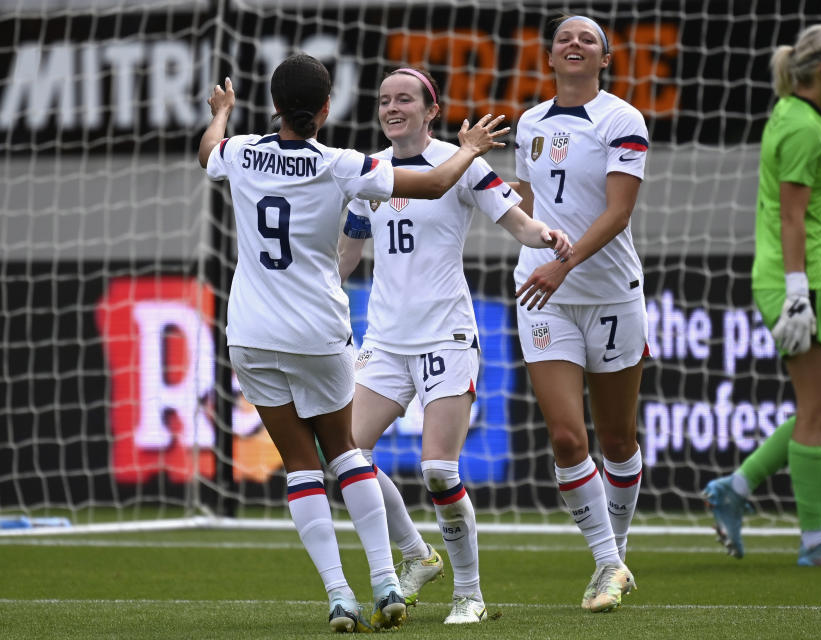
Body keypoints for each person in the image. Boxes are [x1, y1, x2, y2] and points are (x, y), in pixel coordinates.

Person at [197, 53, 509, 632]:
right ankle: (388, 582)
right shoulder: (342, 163)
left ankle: (340, 596)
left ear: (272, 107)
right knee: (345, 454)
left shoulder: (238, 151)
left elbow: (206, 152)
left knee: (300, 466)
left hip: (251, 334)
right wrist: (471, 149)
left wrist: (221, 113)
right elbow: (437, 181)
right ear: (326, 109)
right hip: (317, 332)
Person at [336, 66, 573, 625]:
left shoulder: (464, 162)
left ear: (431, 109)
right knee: (344, 458)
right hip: (387, 342)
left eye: (404, 100)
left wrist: (548, 236)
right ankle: (417, 555)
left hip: (446, 335)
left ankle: (470, 593)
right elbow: (345, 257)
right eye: (384, 100)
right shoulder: (369, 173)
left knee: (439, 470)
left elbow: (517, 223)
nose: (392, 108)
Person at [702, 24, 821, 567]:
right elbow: (792, 216)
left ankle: (736, 486)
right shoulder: (804, 128)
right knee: (820, 407)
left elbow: (807, 216)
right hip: (795, 281)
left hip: (809, 274)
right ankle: (815, 542)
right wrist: (801, 286)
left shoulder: (794, 113)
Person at [511, 15, 650, 612]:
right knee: (568, 437)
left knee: (617, 439)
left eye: (587, 38)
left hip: (611, 292)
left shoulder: (622, 119)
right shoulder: (529, 123)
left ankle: (614, 557)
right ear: (549, 57)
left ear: (604, 59)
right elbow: (526, 206)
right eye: (565, 38)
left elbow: (619, 212)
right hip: (543, 292)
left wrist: (564, 263)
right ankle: (607, 565)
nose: (574, 44)